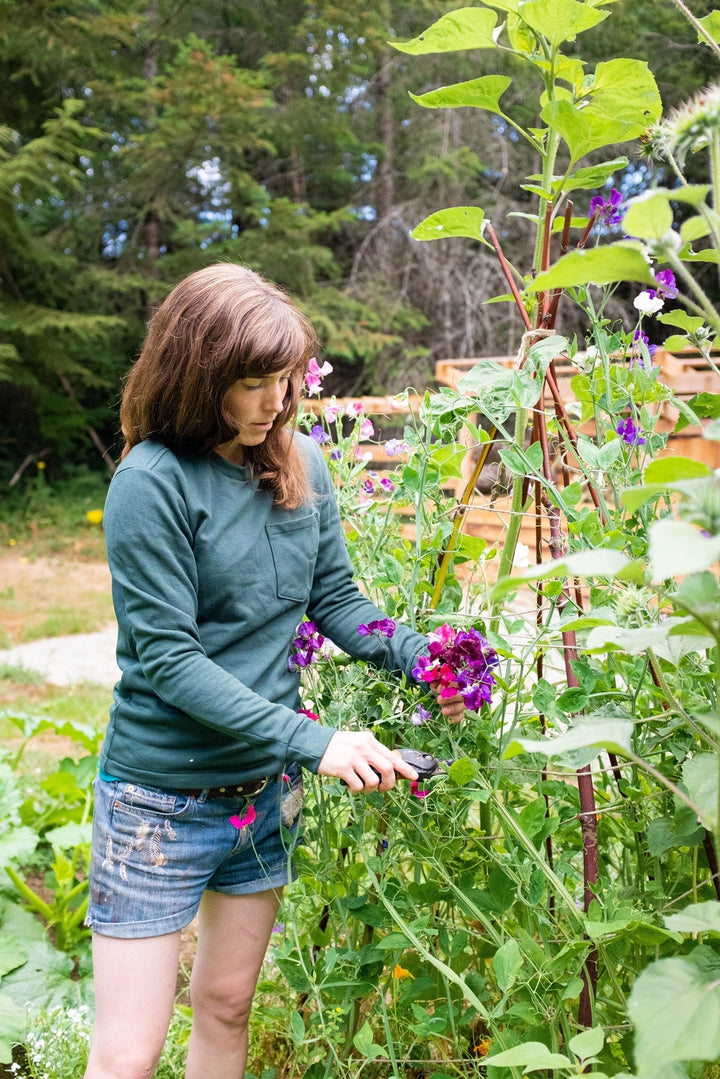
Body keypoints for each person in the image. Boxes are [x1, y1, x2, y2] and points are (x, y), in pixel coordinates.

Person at [83, 263, 465, 1079]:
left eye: (285, 378)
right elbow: (170, 660)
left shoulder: (301, 465)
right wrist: (315, 740)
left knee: (227, 1004)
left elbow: (340, 601)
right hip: (159, 802)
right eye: (252, 383)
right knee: (129, 1053)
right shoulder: (151, 484)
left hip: (261, 795)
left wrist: (428, 656)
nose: (276, 401)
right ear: (197, 377)